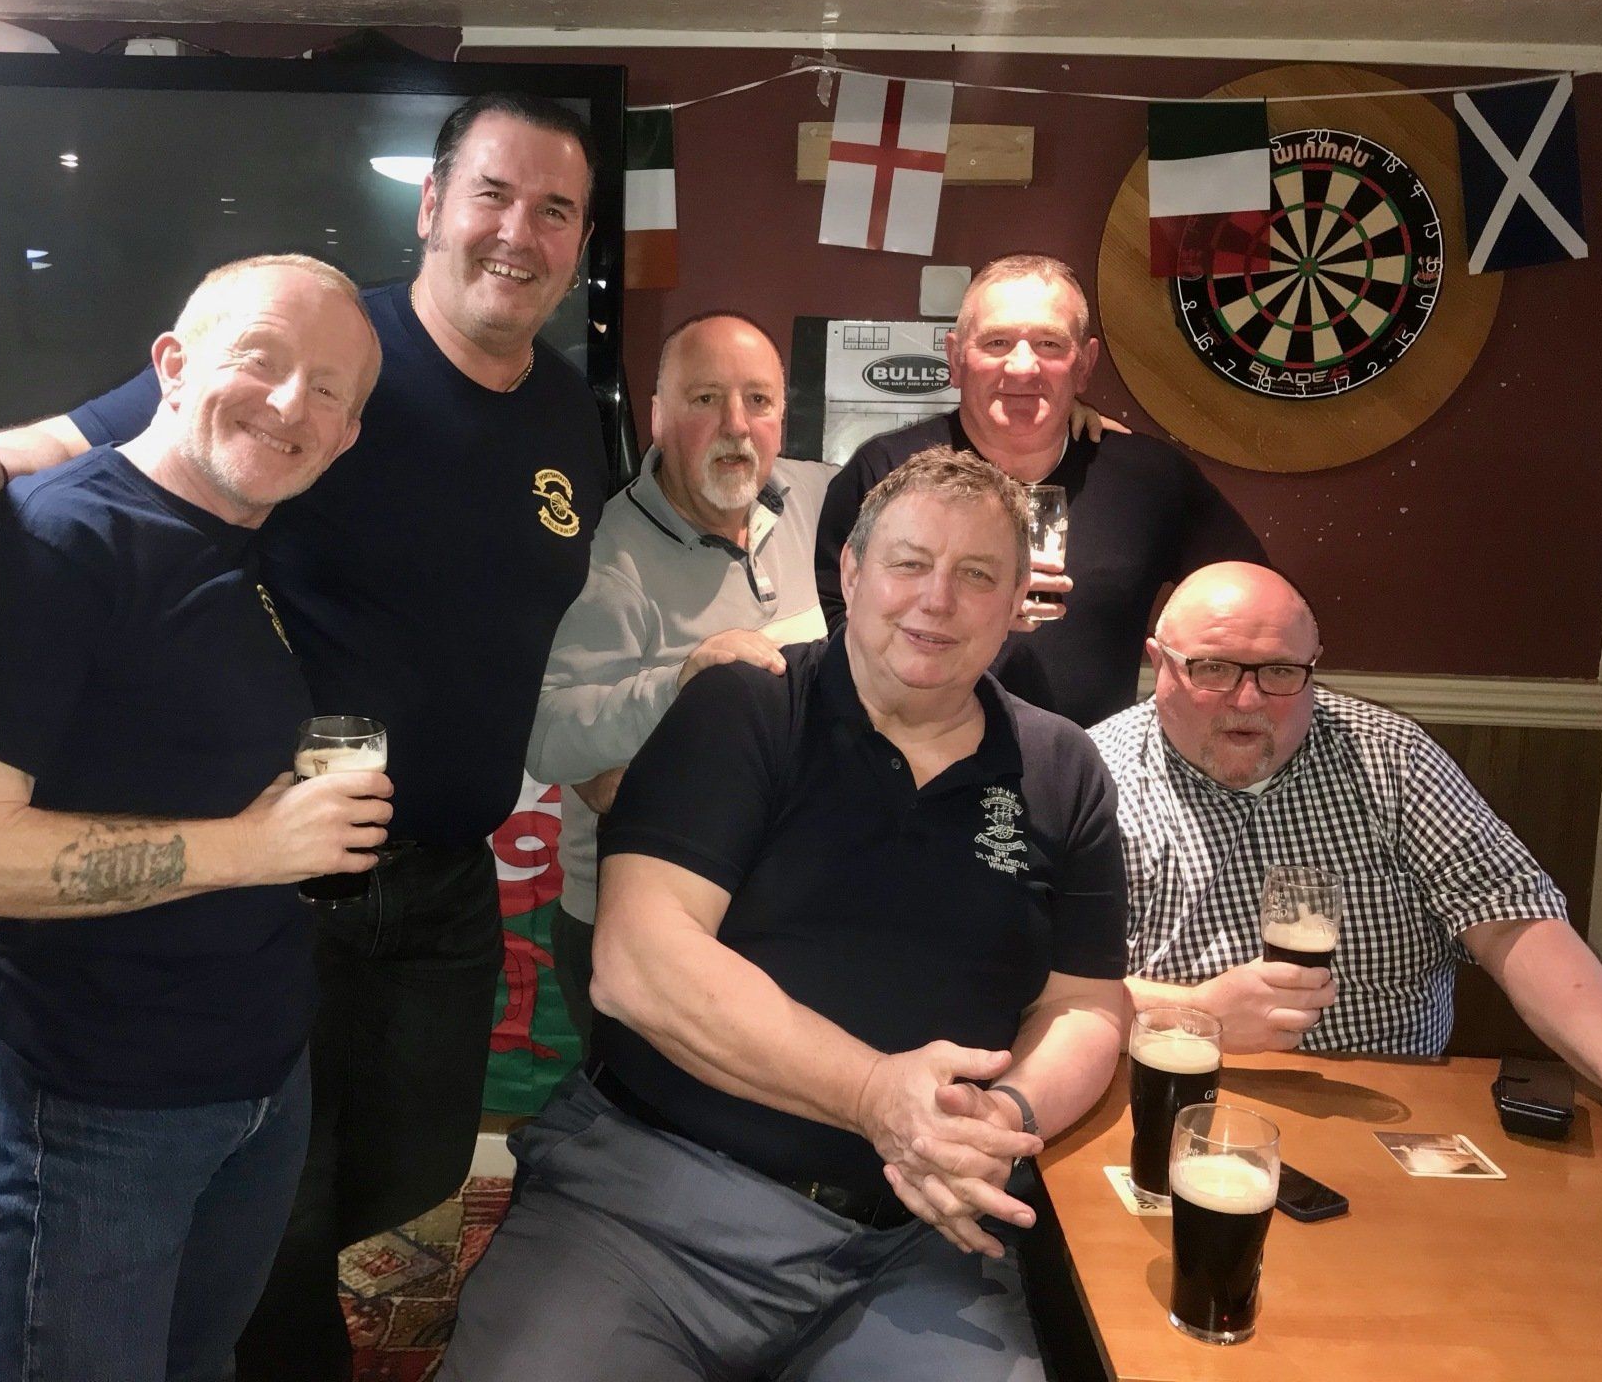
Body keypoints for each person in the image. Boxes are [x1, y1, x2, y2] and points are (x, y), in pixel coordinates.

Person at [0, 94, 606, 1381]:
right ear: (433, 204)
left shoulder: (559, 416)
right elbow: (43, 466)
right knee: (263, 1264)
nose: (518, 231)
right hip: (214, 956)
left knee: (383, 1178)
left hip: (404, 904)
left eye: (556, 209)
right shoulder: (307, 354)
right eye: (492, 192)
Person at [441, 447, 1128, 1382]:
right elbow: (639, 964)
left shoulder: (1065, 767)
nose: (937, 601)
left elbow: (1086, 1004)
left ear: (1019, 602)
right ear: (851, 569)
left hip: (920, 1235)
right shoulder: (745, 706)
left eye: (977, 576)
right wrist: (878, 1096)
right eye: (910, 564)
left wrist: (997, 1120)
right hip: (651, 1207)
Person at [0, 256, 392, 1381]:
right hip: (93, 1116)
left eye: (328, 389)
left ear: (348, 433)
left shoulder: (255, 543)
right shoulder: (41, 542)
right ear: (171, 365)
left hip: (261, 1085)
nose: (290, 403)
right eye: (260, 359)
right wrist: (253, 849)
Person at [1092, 561, 1602, 1171]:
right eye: (1213, 668)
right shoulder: (1092, 774)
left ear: (1313, 667)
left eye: (1281, 671)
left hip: (1397, 1121)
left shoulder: (1391, 758)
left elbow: (1513, 921)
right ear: (1159, 662)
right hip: (1170, 1112)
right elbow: (1050, 995)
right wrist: (1195, 1016)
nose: (1248, 698)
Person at [525, 311, 833, 1045]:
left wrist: (1073, 436)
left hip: (779, 915)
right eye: (705, 399)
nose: (736, 425)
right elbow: (548, 737)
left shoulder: (822, 502)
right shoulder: (603, 558)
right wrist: (680, 685)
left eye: (757, 400)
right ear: (659, 418)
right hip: (638, 934)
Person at [813, 253, 1266, 728]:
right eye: (997, 342)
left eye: (1049, 344)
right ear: (955, 359)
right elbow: (836, 642)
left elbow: (1257, 605)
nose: (1023, 367)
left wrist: (1175, 710)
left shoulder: (1148, 479)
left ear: (1084, 364)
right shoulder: (886, 473)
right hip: (906, 756)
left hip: (1090, 764)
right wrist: (980, 609)